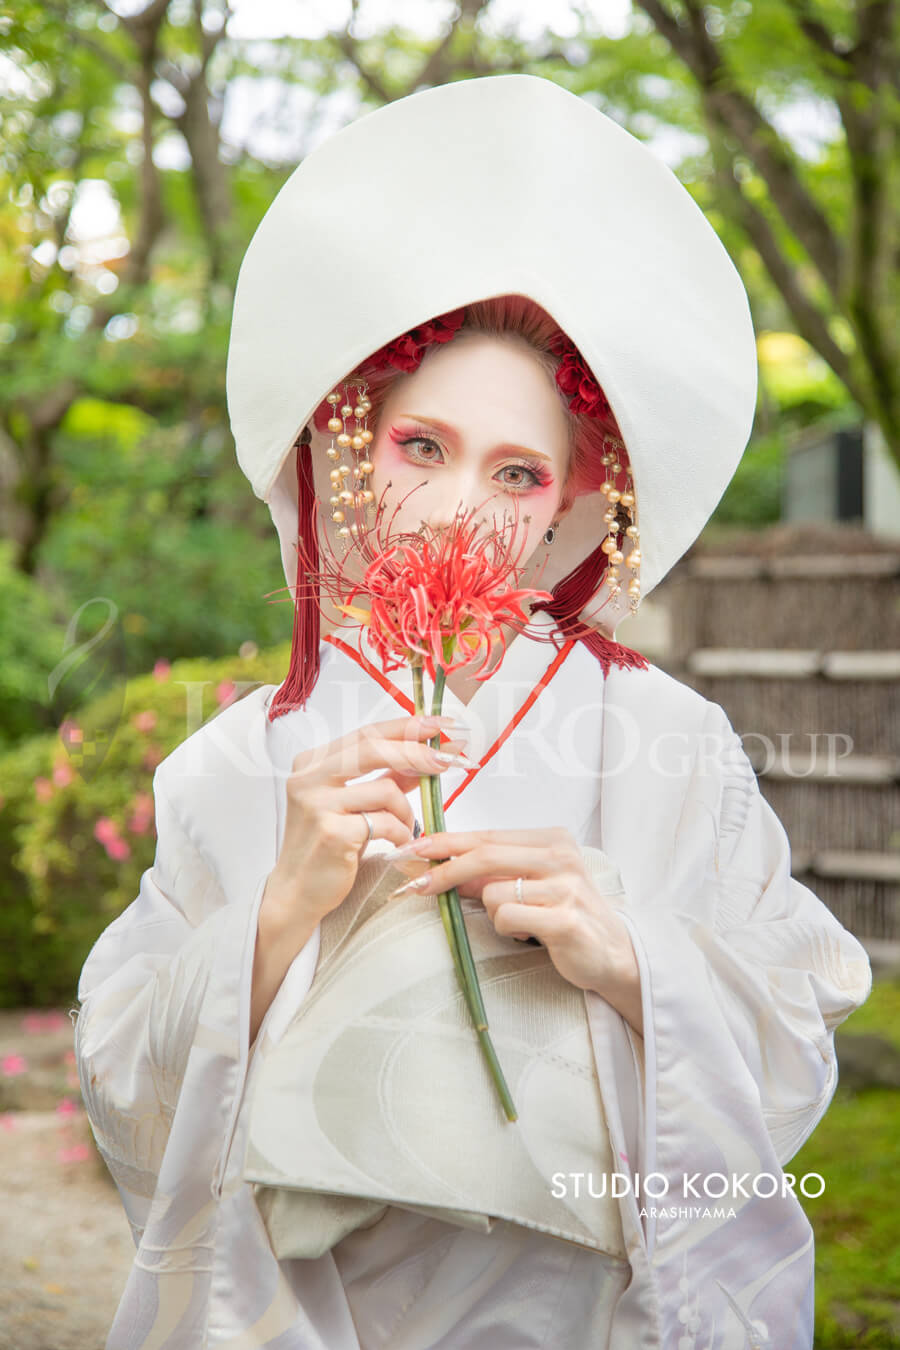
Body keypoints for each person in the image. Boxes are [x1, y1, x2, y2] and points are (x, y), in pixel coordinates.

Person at [74, 75, 871, 1350]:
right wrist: (278, 917)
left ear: (570, 501)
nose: (458, 511)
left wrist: (631, 959)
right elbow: (124, 1079)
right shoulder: (237, 762)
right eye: (420, 448)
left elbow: (793, 1031)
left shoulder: (667, 742)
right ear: (350, 446)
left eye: (517, 471)